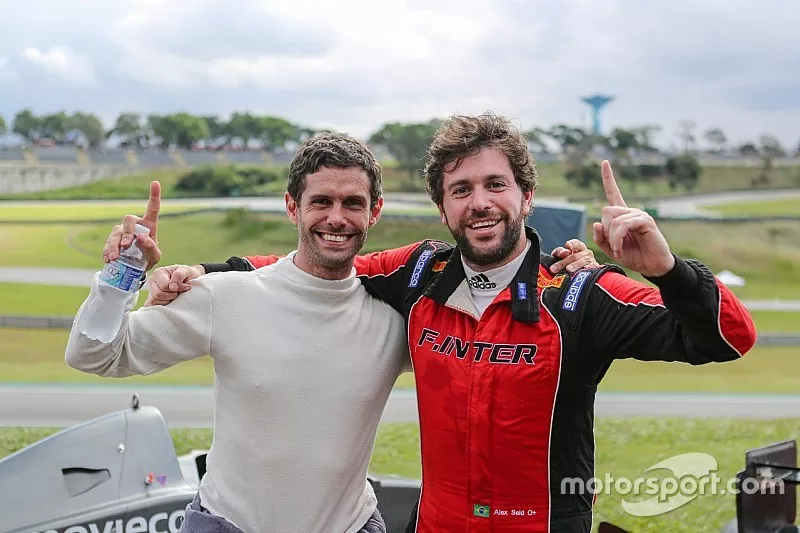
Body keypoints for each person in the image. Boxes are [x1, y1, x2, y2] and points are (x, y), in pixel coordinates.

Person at [150, 112, 758, 533]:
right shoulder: (418, 272)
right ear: (443, 206)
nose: (480, 202)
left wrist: (668, 267)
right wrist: (197, 271)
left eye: (496, 184)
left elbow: (728, 338)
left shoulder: (581, 293)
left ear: (525, 196)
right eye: (461, 189)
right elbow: (317, 263)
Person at [67, 130, 598, 533]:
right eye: (321, 202)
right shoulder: (223, 296)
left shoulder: (399, 317)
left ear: (375, 212)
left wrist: (562, 267)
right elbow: (95, 354)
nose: (336, 218)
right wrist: (122, 276)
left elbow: (498, 331)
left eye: (353, 203)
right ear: (293, 207)